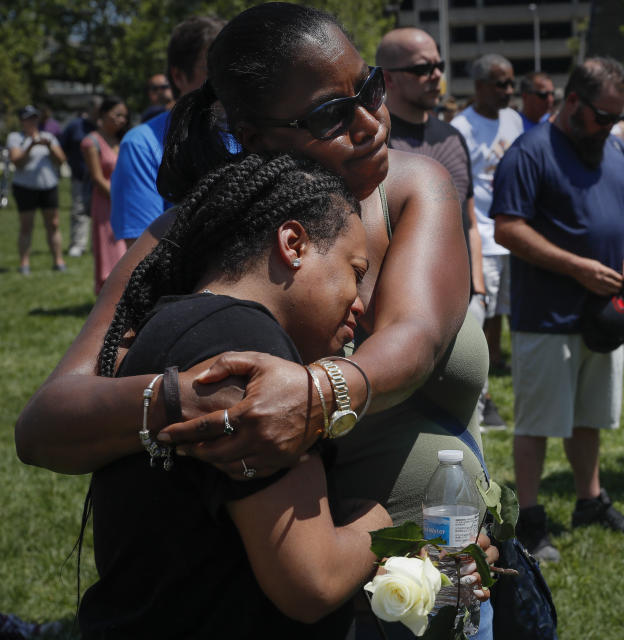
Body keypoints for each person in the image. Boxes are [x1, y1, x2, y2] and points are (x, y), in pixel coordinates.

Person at [16, 4, 495, 634]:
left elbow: (416, 340)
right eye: (331, 113)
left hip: (441, 572)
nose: (370, 122)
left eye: (370, 88)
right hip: (296, 600)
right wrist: (185, 400)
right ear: (256, 135)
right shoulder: (199, 234)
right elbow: (45, 425)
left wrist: (315, 393)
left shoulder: (412, 188)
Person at [78, 154, 393, 638]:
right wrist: (380, 519)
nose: (361, 302)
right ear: (293, 244)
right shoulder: (246, 345)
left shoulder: (181, 323)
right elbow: (313, 583)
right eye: (355, 270)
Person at [493, 57, 624, 561]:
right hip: (546, 316)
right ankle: (530, 520)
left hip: (602, 315)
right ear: (572, 103)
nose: (610, 127)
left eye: (615, 117)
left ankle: (590, 500)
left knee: (590, 417)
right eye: (602, 116)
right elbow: (508, 228)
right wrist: (576, 267)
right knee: (538, 422)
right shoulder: (529, 153)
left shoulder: (613, 150)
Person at [377, 28, 486, 304]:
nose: (436, 75)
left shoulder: (453, 137)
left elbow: (470, 221)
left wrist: (479, 288)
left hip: (462, 301)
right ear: (388, 78)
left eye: (439, 65)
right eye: (422, 68)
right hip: (399, 303)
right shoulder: (372, 139)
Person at [451, 54, 524, 430]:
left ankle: (494, 369)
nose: (508, 91)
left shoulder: (514, 120)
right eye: (500, 84)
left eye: (511, 83)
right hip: (483, 236)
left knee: (504, 315)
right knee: (482, 316)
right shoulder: (461, 127)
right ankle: (481, 395)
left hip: (517, 236)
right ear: (478, 87)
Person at [110, 16, 225, 246]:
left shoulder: (253, 134)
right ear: (179, 76)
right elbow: (145, 260)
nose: (228, 77)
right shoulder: (141, 146)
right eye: (213, 68)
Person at [6, 105, 67, 275]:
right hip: (25, 188)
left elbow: (61, 159)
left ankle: (58, 260)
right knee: (27, 226)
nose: (32, 122)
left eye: (34, 118)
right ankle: (24, 263)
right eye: (28, 118)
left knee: (54, 224)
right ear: (22, 121)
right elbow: (17, 161)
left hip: (48, 186)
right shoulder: (15, 138)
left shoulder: (48, 137)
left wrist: (49, 147)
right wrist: (31, 145)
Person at [81, 96, 129, 293]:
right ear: (103, 114)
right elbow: (97, 178)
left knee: (125, 250)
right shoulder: (91, 141)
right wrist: (119, 199)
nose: (121, 120)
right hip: (106, 203)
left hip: (125, 201)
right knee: (110, 250)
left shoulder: (122, 139)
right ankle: (108, 294)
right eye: (117, 115)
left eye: (124, 116)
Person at [59, 95, 101, 257]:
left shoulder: (103, 127)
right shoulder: (75, 126)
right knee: (79, 209)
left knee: (99, 211)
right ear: (90, 109)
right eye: (96, 111)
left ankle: (97, 244)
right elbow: (62, 146)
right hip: (80, 175)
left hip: (101, 177)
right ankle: (78, 244)